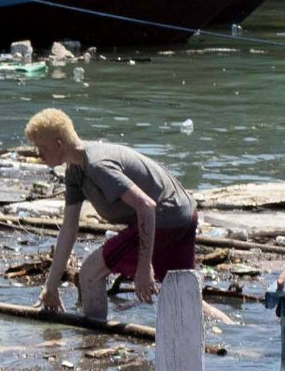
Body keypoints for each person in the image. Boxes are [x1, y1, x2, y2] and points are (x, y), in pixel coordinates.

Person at [24, 107, 196, 323]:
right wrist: (51, 285)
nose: (38, 155)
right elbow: (69, 229)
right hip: (184, 213)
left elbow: (146, 206)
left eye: (41, 148)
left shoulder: (97, 165)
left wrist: (143, 268)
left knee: (89, 275)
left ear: (59, 145)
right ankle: (228, 333)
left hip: (165, 217)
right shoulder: (75, 171)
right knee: (181, 290)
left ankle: (92, 346)